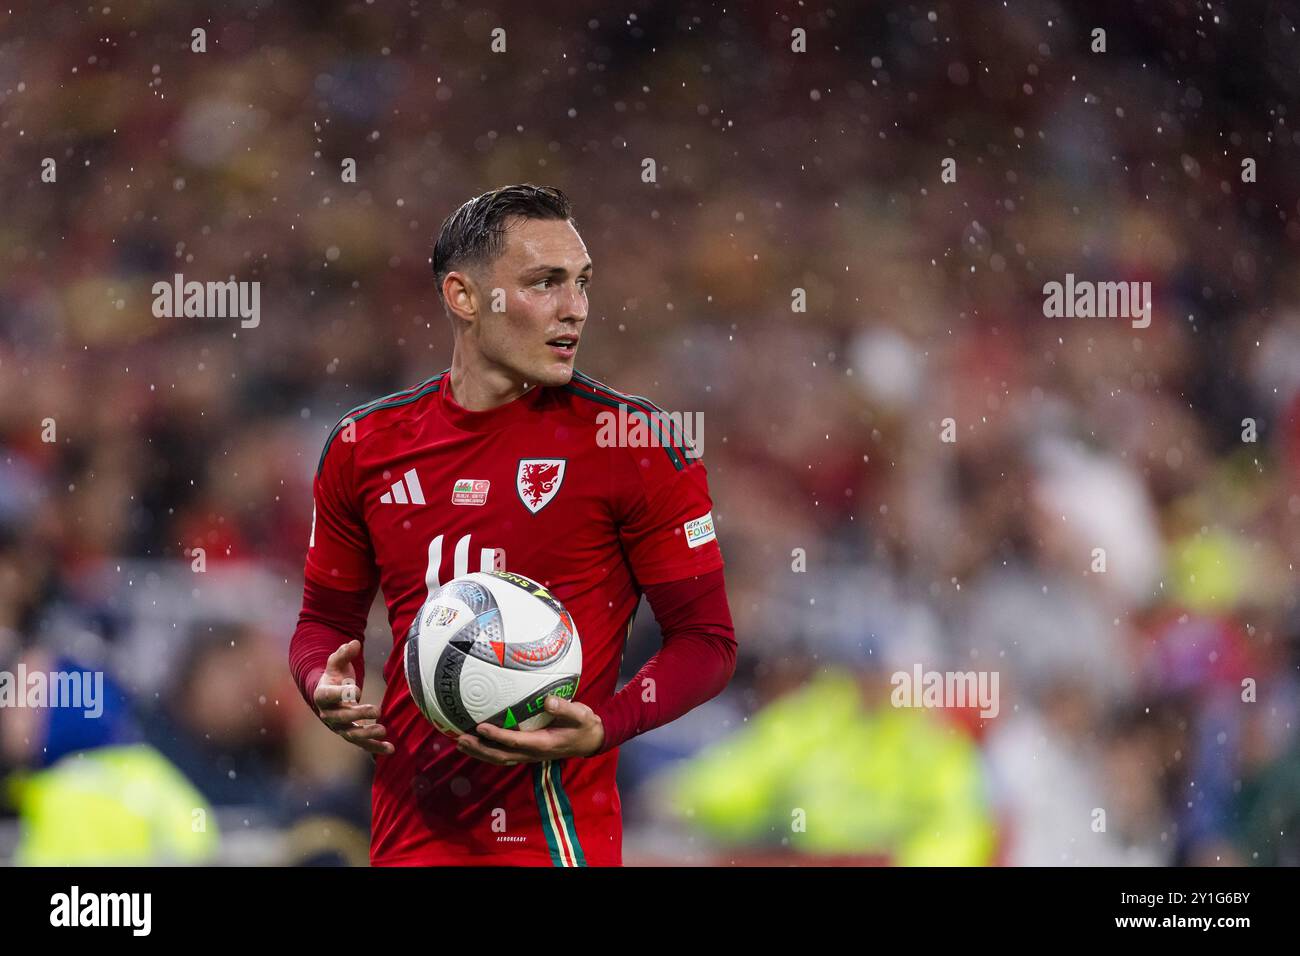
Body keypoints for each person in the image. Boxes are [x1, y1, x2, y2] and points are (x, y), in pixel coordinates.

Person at [289, 184, 737, 866]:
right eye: (545, 283)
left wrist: (605, 726)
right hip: (407, 837)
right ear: (464, 297)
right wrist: (323, 681)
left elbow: (707, 641)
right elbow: (323, 622)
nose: (575, 309)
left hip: (551, 840)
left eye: (582, 283)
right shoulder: (364, 446)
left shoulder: (633, 443)